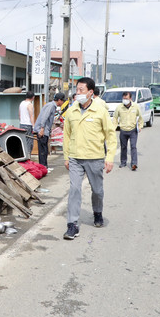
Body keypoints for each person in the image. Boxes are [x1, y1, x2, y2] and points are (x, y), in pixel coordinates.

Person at [63, 77, 117, 239]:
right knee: (74, 189)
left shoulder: (100, 111)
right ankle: (72, 225)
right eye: (77, 89)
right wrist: (66, 156)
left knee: (97, 190)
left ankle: (97, 212)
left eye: (81, 90)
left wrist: (110, 158)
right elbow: (67, 135)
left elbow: (110, 135)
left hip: (95, 158)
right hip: (75, 158)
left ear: (90, 93)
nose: (77, 93)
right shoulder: (71, 111)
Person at [33, 92, 66, 168]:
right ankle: (43, 166)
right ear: (59, 100)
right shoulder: (51, 106)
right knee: (43, 150)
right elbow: (44, 117)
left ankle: (44, 165)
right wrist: (42, 129)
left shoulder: (52, 106)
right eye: (62, 101)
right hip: (42, 130)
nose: (63, 102)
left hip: (45, 130)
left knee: (44, 149)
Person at [113, 91, 143, 171]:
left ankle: (134, 163)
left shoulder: (135, 107)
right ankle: (123, 162)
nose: (124, 100)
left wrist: (140, 126)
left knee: (133, 147)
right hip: (123, 130)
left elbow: (140, 117)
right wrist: (114, 128)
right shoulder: (119, 107)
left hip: (133, 130)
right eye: (123, 98)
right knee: (123, 147)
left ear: (130, 99)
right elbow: (115, 118)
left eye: (126, 98)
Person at [18, 91, 35, 155]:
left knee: (23, 141)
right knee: (29, 142)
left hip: (22, 124)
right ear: (33, 97)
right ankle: (28, 156)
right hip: (28, 125)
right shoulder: (30, 105)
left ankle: (22, 156)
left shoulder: (21, 103)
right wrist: (33, 126)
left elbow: (19, 115)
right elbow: (31, 116)